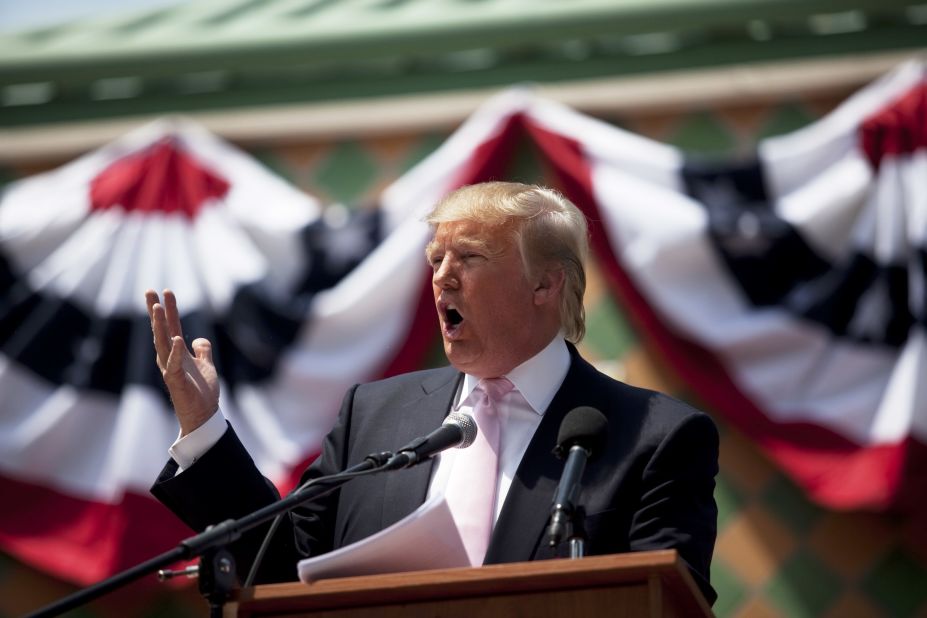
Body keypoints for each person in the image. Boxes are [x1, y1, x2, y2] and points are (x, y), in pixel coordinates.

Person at [147, 182, 719, 603]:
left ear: (546, 283)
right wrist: (203, 428)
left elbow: (666, 602)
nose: (441, 277)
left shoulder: (655, 438)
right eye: (436, 258)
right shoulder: (374, 416)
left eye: (469, 257)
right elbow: (277, 569)